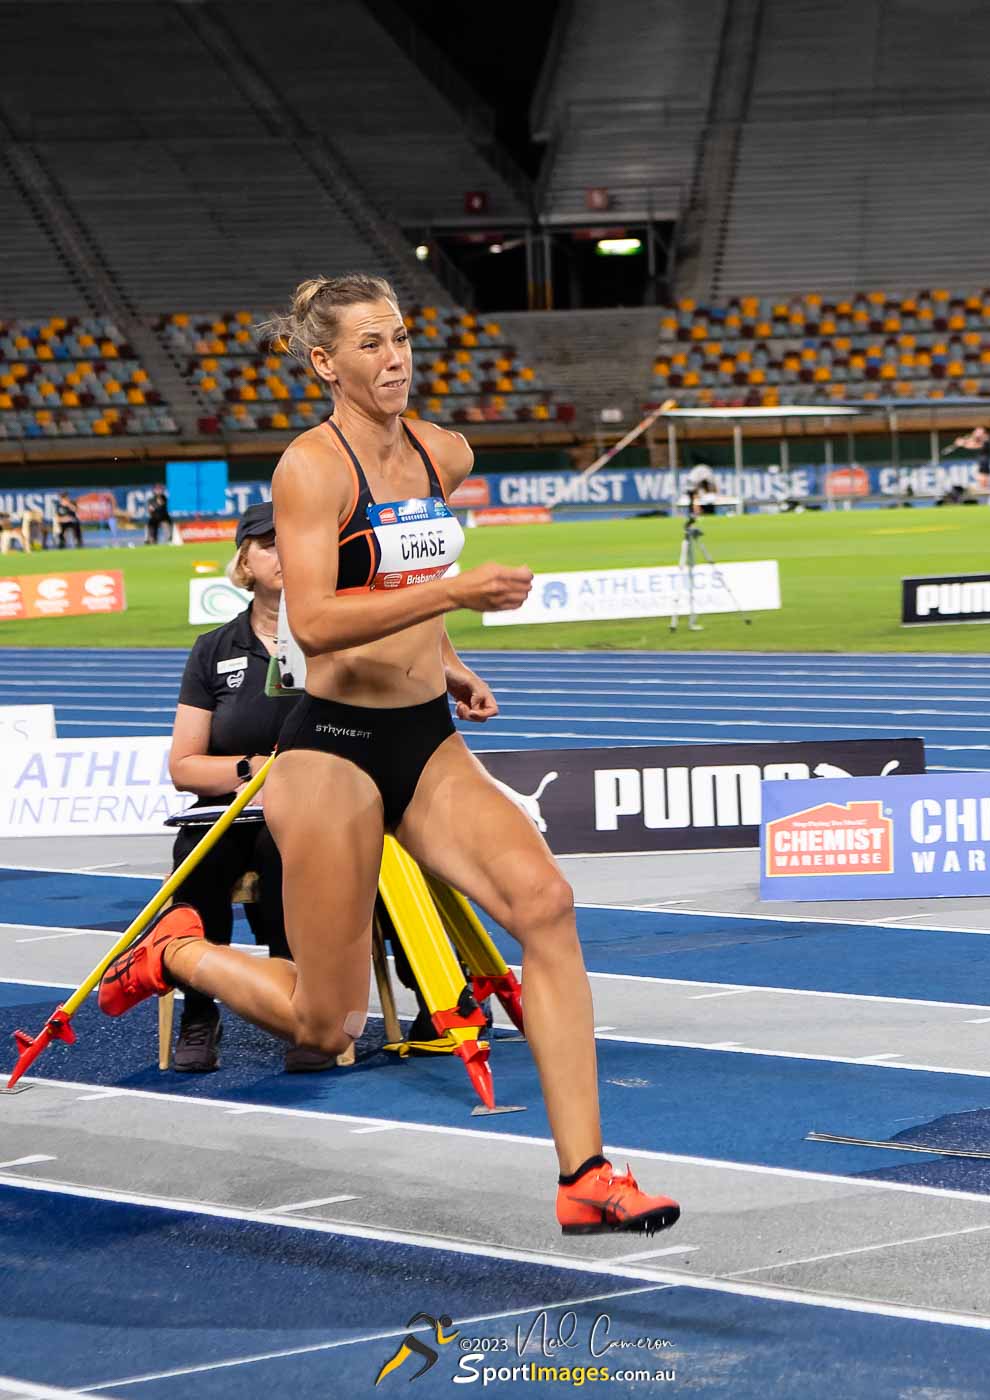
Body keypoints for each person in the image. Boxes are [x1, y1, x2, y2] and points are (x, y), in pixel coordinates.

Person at [100, 273, 680, 1236]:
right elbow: (319, 622)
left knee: (547, 904)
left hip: (422, 736)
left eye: (402, 336)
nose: (395, 357)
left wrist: (443, 660)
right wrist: (455, 601)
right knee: (326, 1026)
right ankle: (180, 953)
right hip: (330, 748)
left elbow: (400, 569)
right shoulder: (310, 471)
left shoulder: (440, 451)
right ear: (325, 362)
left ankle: (585, 1173)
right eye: (369, 343)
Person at [167, 502, 331, 1072]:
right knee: (195, 862)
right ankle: (199, 1010)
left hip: (313, 808)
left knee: (287, 856)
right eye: (269, 544)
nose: (285, 554)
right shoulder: (213, 650)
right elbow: (184, 766)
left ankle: (304, 1013)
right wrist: (252, 768)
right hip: (229, 809)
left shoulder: (335, 639)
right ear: (244, 561)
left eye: (294, 541)